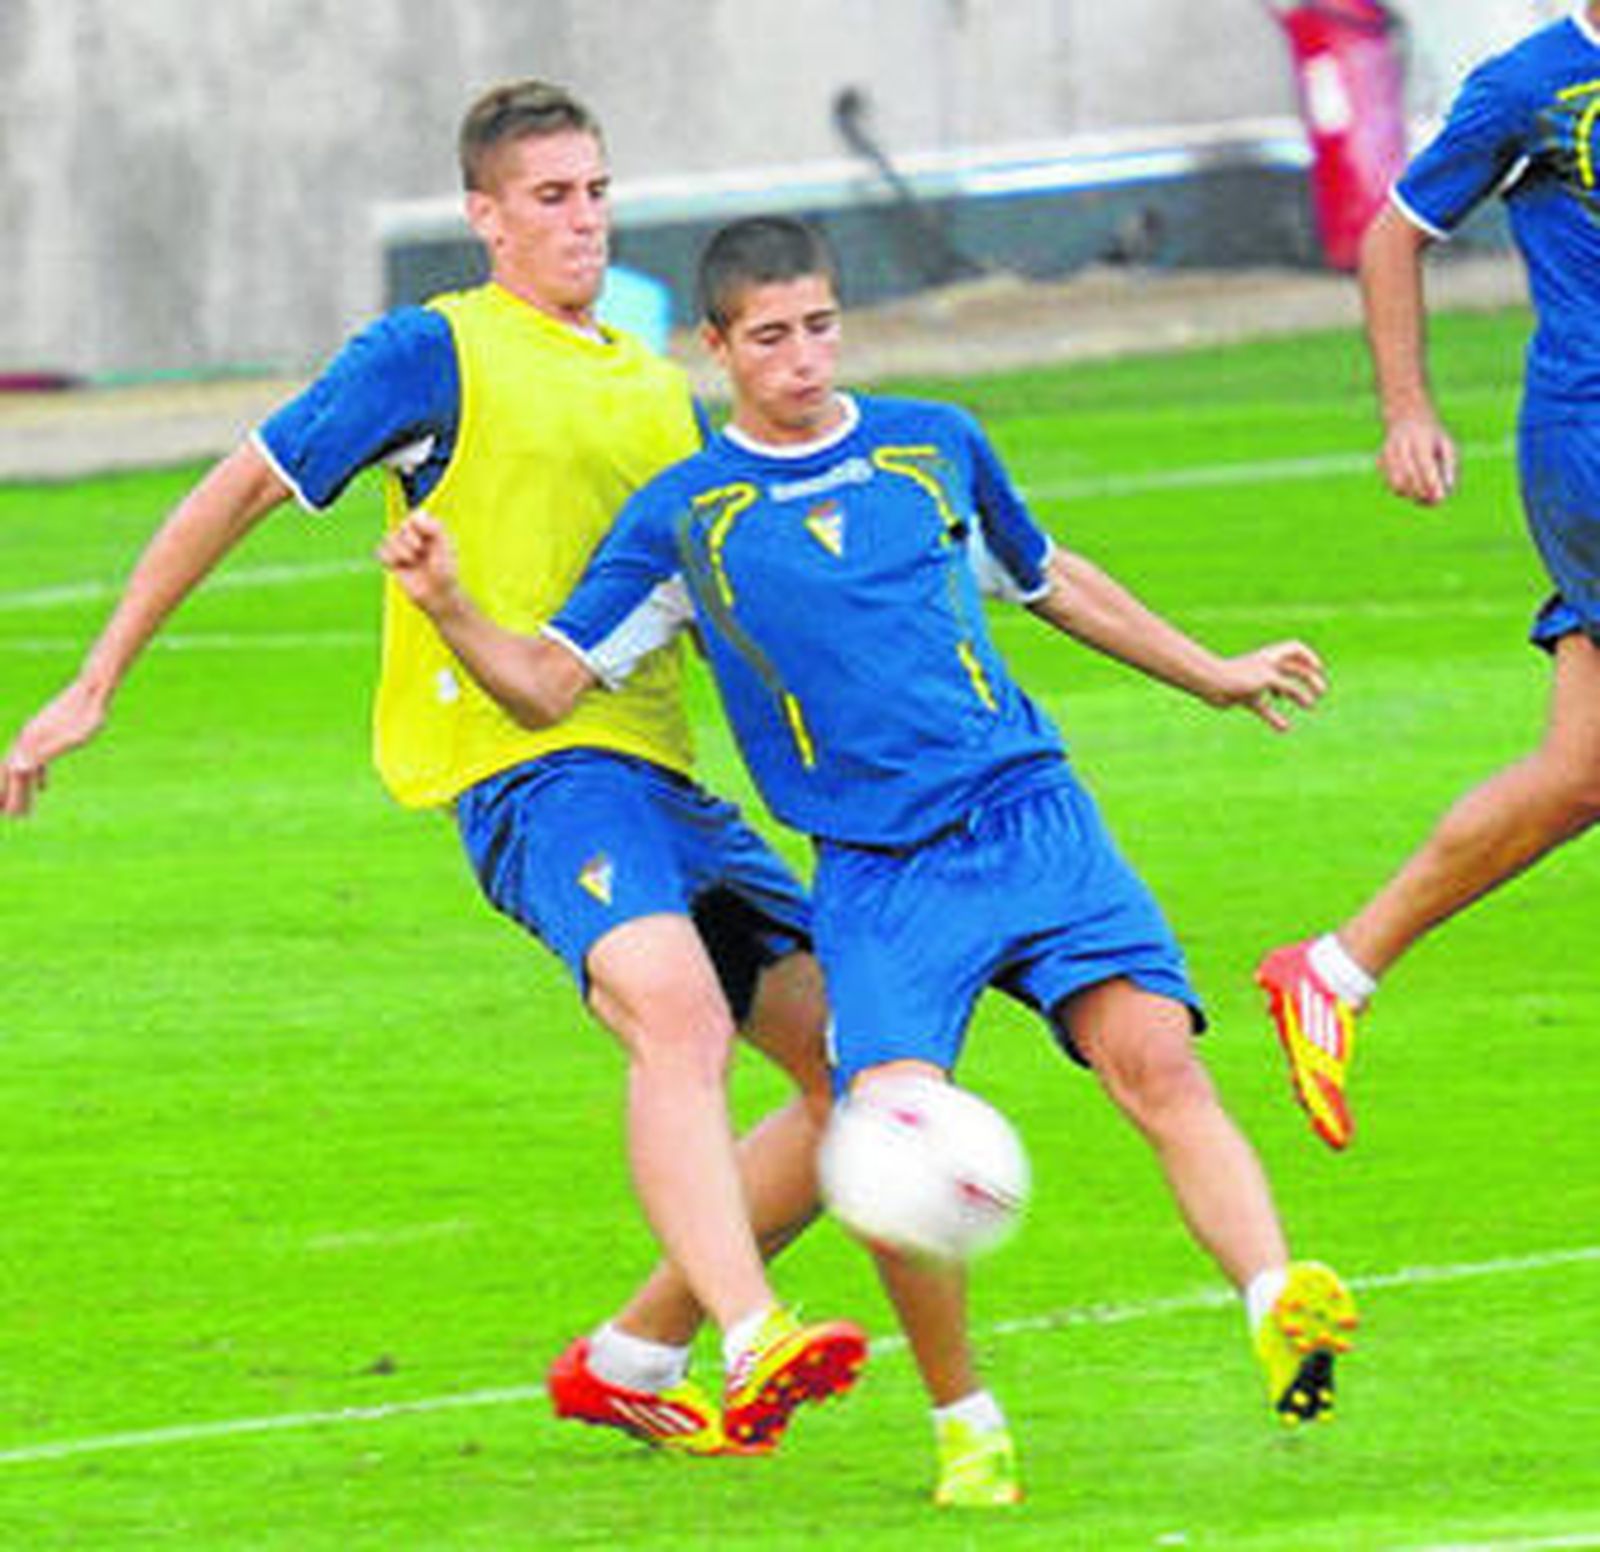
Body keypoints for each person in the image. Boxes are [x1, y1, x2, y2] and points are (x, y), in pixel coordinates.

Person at [378, 215, 1360, 1507]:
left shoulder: (933, 446)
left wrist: (1213, 675)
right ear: (719, 348)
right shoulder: (687, 519)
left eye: (822, 327)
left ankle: (1277, 1295)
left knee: (1156, 1059)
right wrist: (451, 607)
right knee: (886, 1136)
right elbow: (549, 686)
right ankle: (968, 1424)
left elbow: (1050, 576)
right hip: (882, 876)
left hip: (1033, 820)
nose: (803, 360)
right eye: (772, 337)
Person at [0, 83, 868, 1455]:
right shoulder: (431, 354)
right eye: (548, 197)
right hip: (530, 775)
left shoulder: (652, 384)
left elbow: (704, 608)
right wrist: (96, 680)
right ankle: (757, 1334)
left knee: (861, 1076)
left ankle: (640, 1348)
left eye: (593, 191)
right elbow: (238, 485)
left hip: (661, 778)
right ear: (484, 217)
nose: (581, 219)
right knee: (678, 1017)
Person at [1257, 4, 1600, 1152]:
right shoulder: (1530, 86)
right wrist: (1407, 408)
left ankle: (1333, 970)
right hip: (1590, 440)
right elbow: (1392, 235)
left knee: (1577, 773)